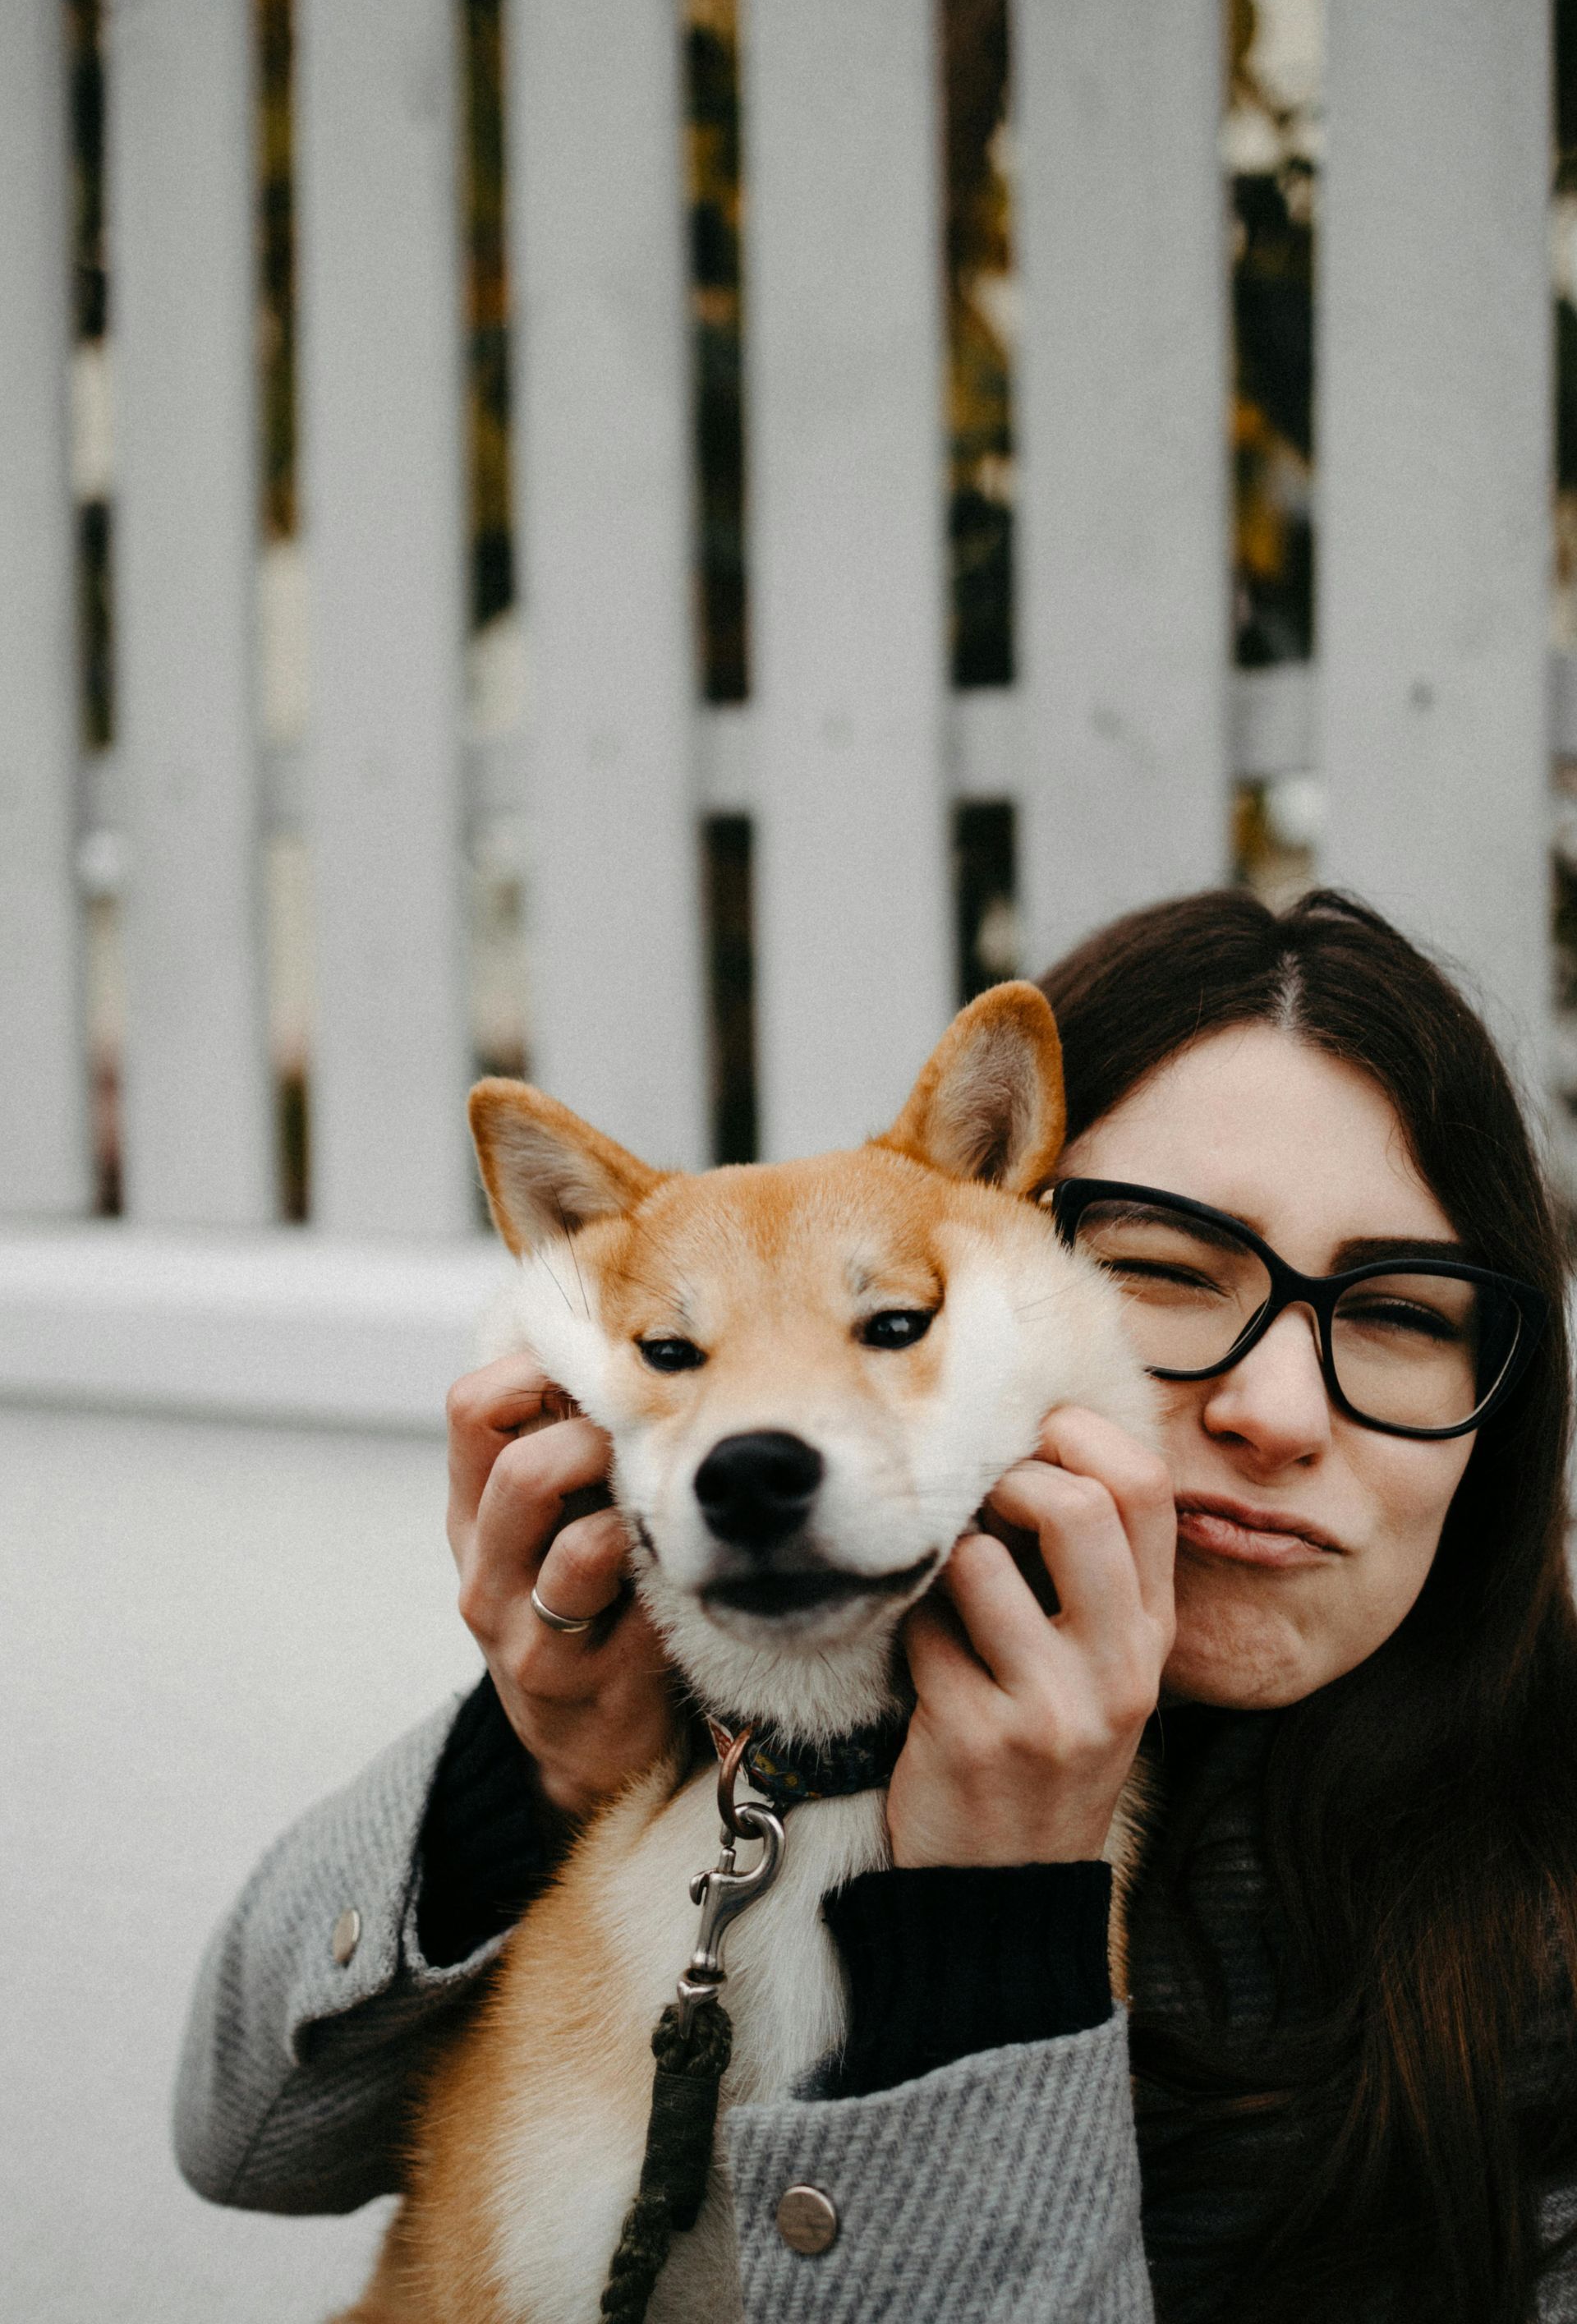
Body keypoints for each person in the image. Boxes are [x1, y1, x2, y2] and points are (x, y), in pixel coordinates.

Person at [174, 889, 1577, 2323]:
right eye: (1162, 1271)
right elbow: (247, 2139)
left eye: (1405, 1311)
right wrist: (529, 1765)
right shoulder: (752, 1707)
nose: (1276, 1411)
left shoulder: (1539, 1941)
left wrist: (993, 1937)